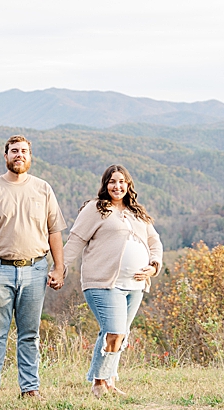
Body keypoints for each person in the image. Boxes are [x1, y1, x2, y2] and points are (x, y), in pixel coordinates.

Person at [0, 135, 66, 401]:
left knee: (30, 335)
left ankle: (30, 389)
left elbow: (54, 231)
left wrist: (58, 267)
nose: (19, 155)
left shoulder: (43, 189)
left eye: (24, 151)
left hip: (35, 270)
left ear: (30, 157)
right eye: (14, 151)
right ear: (5, 155)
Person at [63, 164, 163, 398]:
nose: (117, 186)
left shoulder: (137, 212)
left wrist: (154, 266)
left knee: (120, 333)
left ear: (128, 185)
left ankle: (109, 380)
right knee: (115, 330)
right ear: (105, 185)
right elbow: (76, 240)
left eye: (121, 182)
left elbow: (154, 242)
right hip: (104, 283)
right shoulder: (95, 209)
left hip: (136, 285)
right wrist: (60, 268)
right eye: (112, 181)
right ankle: (98, 382)